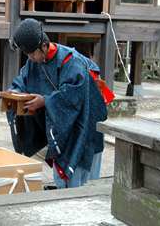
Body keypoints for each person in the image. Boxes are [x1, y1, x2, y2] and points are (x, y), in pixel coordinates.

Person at [7, 18, 109, 189]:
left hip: (84, 123)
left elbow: (73, 96)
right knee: (62, 172)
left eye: (32, 54)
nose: (30, 58)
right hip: (62, 126)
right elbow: (22, 80)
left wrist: (45, 100)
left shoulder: (71, 61)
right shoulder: (33, 62)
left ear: (44, 46)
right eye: (28, 55)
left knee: (82, 178)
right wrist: (15, 91)